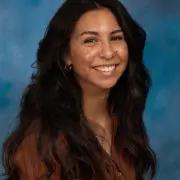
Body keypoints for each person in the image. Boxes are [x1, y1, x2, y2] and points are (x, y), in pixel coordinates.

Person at [2, 0, 156, 179]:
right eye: (91, 40)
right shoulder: (42, 145)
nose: (108, 52)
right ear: (66, 56)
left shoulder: (123, 118)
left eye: (116, 38)